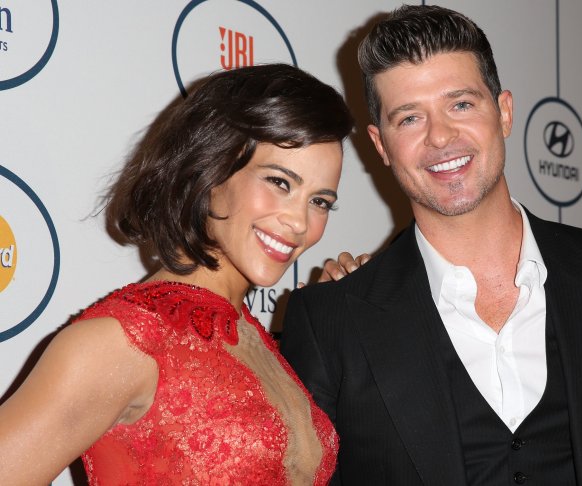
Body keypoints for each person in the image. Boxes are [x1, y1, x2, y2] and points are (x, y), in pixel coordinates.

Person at [280, 5, 582, 485]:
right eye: (409, 119)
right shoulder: (330, 323)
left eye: (461, 104)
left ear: (504, 112)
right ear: (381, 146)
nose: (441, 136)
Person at [0, 63, 353, 484]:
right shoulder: (123, 341)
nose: (299, 221)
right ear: (212, 170)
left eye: (320, 202)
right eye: (280, 182)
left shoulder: (256, 341)